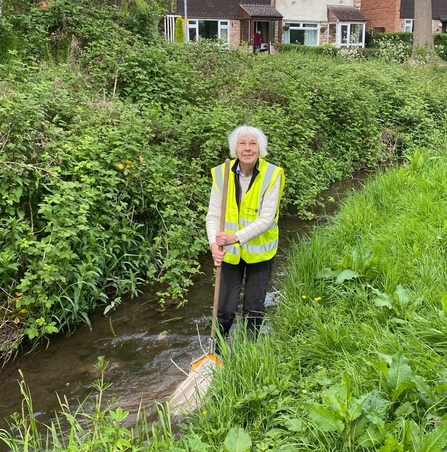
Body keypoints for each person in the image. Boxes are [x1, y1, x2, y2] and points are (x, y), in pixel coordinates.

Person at [206, 125, 285, 344]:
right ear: (235, 148)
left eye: (253, 144)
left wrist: (235, 237)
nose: (247, 149)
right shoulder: (222, 173)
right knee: (224, 308)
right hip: (230, 253)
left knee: (253, 307)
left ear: (260, 148)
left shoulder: (272, 175)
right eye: (242, 143)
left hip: (260, 254)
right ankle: (218, 352)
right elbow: (213, 215)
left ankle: (249, 352)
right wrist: (214, 243)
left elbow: (267, 219)